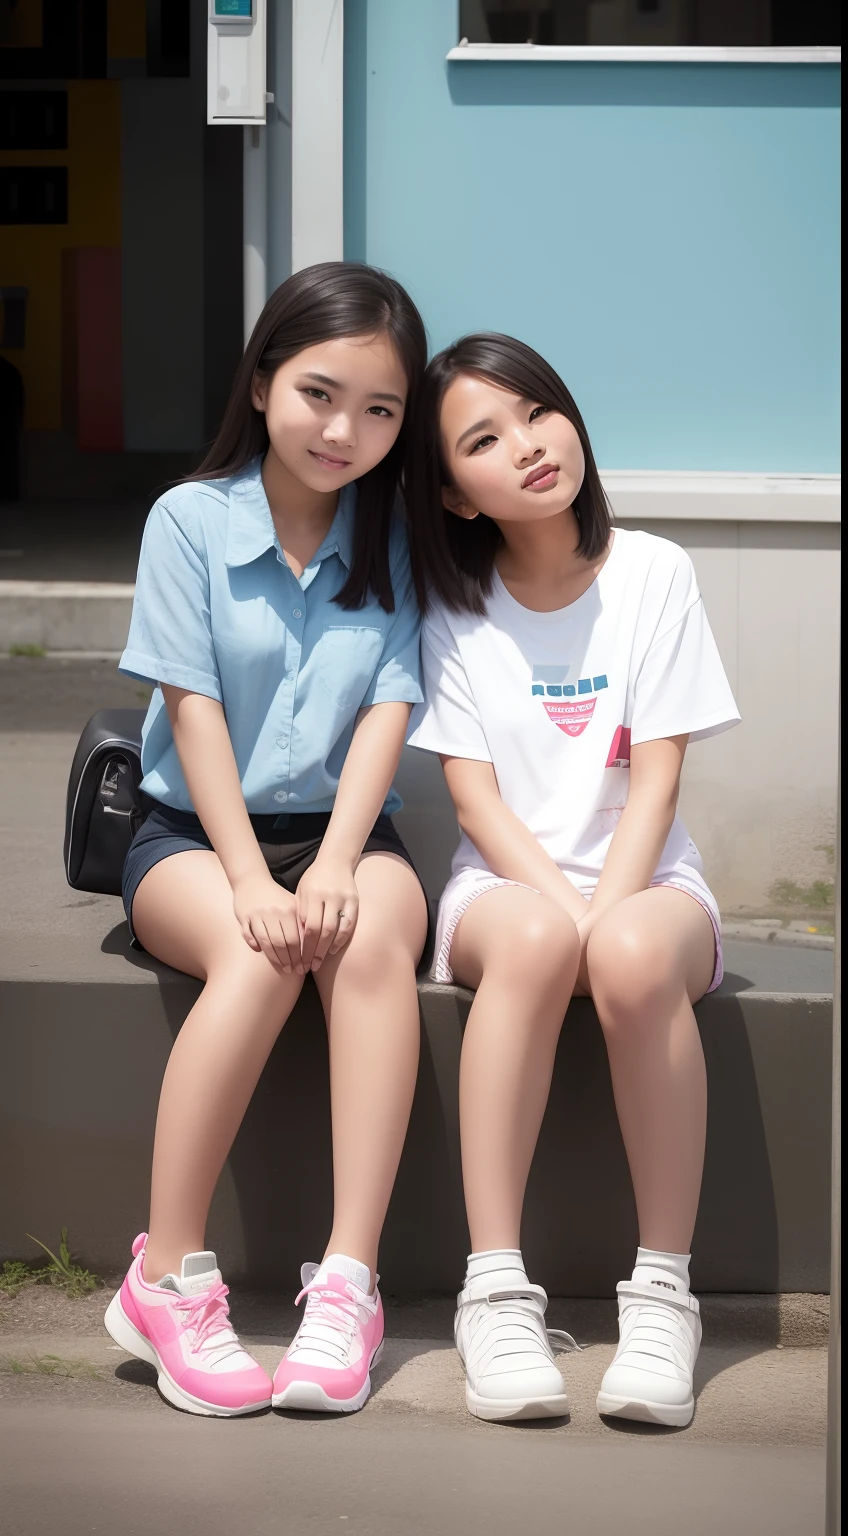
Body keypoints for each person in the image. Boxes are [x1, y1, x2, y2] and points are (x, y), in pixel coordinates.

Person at [104, 263, 429, 1418]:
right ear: (262, 379)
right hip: (192, 836)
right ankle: (168, 1278)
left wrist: (339, 860)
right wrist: (249, 876)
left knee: (370, 940)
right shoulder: (188, 521)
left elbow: (390, 706)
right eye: (319, 394)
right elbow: (190, 708)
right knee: (257, 955)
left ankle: (346, 1285)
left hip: (344, 828)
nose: (345, 430)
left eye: (381, 409)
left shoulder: (394, 534)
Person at [406, 333, 740, 1427]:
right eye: (484, 440)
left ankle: (660, 1295)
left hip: (650, 885)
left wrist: (609, 914)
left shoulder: (653, 571)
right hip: (499, 889)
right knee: (548, 942)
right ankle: (494, 1288)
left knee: (631, 949)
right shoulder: (452, 603)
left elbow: (655, 781)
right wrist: (565, 912)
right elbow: (474, 804)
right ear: (454, 495)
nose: (530, 446)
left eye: (537, 412)